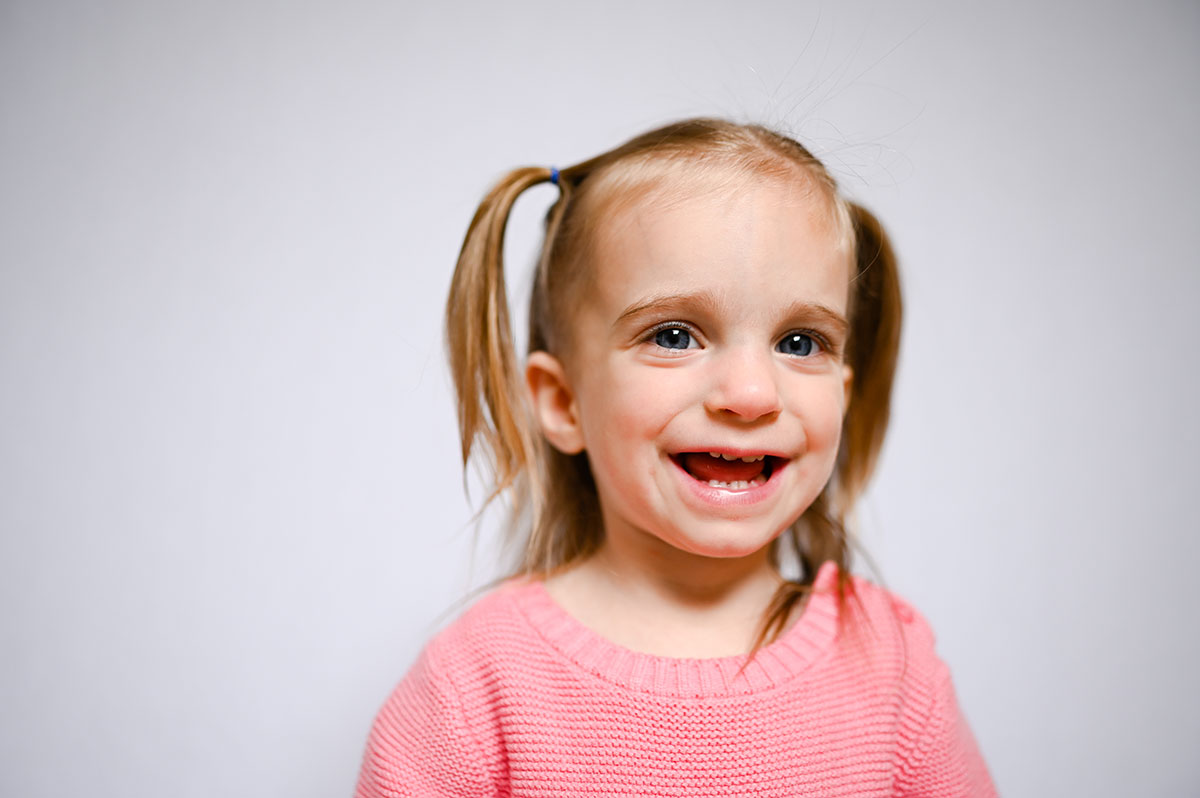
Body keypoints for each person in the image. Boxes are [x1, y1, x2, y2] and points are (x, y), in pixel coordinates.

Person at [354, 118, 996, 796]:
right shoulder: (476, 687)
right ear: (563, 401)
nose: (751, 394)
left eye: (801, 342)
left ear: (842, 392)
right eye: (674, 334)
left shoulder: (892, 666)